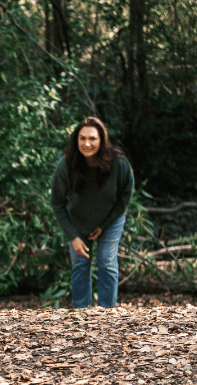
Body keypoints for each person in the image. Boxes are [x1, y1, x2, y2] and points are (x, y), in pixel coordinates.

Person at [50, 117, 134, 308]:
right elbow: (57, 203)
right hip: (78, 221)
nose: (87, 143)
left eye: (92, 138)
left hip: (111, 218)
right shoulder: (65, 166)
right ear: (76, 140)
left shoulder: (119, 164)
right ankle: (82, 313)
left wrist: (104, 226)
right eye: (82, 138)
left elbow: (125, 197)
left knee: (106, 261)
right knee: (80, 264)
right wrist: (72, 236)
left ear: (102, 140)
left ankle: (107, 312)